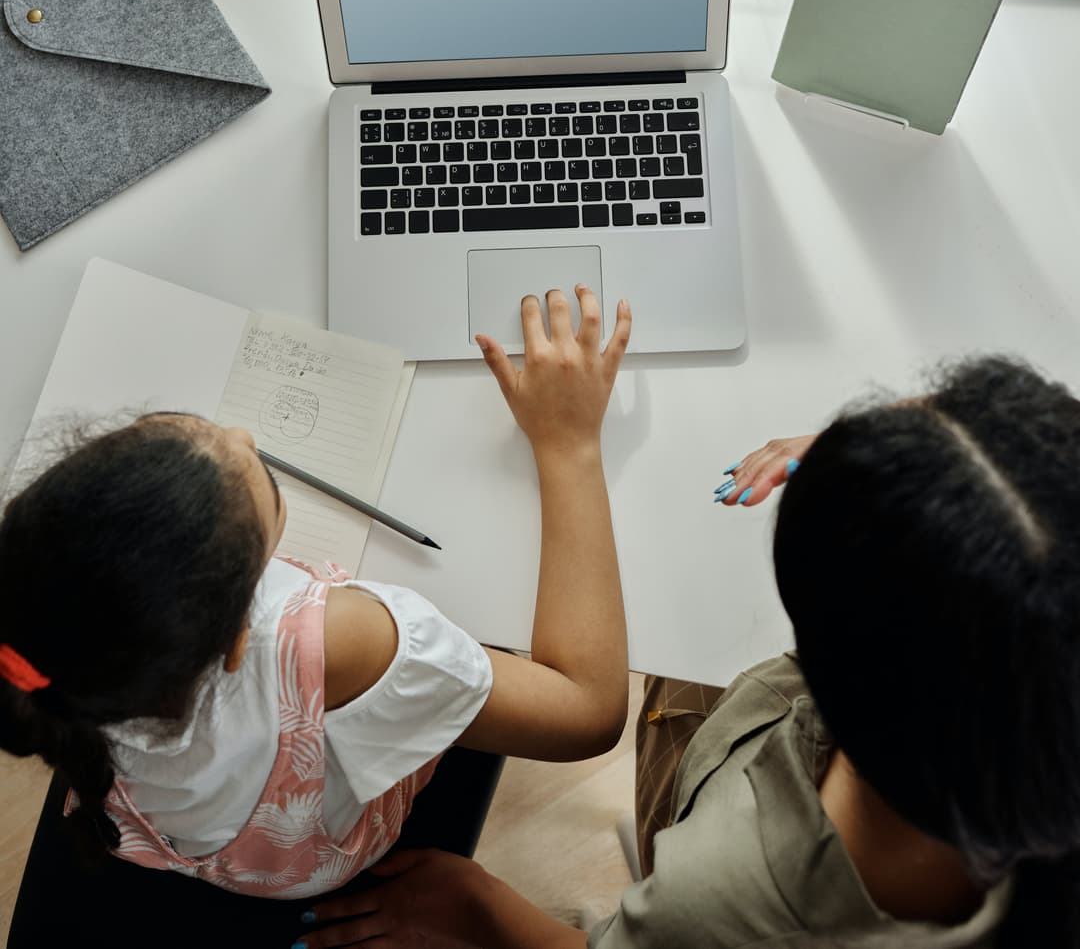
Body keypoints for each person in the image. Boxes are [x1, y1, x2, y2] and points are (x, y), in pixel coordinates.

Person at [295, 356, 1080, 948]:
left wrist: (479, 909)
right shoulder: (1007, 711)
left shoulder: (721, 895)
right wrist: (924, 477)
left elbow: (590, 725)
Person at [0, 286, 631, 909]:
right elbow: (586, 711)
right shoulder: (338, 640)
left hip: (173, 830)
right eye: (261, 491)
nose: (244, 435)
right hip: (305, 848)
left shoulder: (56, 659)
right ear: (238, 638)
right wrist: (568, 444)